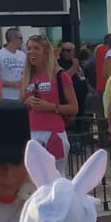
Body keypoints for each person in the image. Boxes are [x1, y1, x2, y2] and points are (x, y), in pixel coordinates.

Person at [20, 33, 78, 170]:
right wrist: (26, 103)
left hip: (53, 133)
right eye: (29, 48)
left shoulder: (60, 75)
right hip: (31, 133)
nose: (32, 52)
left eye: (36, 48)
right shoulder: (26, 77)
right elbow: (19, 106)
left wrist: (51, 107)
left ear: (45, 52)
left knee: (55, 176)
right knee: (32, 178)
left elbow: (74, 107)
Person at [0, 29, 27, 101]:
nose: (22, 41)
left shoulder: (23, 55)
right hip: (5, 97)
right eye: (21, 38)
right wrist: (11, 84)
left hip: (21, 97)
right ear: (14, 38)